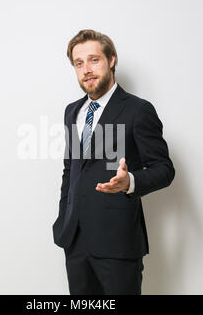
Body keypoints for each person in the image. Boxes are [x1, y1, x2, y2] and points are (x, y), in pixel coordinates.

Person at [52, 29, 175, 295]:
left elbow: (164, 170)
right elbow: (71, 169)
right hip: (75, 239)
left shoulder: (138, 110)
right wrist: (63, 218)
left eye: (94, 60)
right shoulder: (72, 111)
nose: (86, 69)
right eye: (79, 63)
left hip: (117, 242)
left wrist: (129, 181)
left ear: (112, 60)